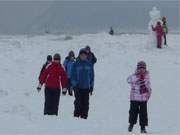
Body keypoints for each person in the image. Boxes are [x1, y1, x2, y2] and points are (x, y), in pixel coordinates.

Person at [127, 61, 152, 133]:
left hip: (143, 99)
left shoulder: (147, 76)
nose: (141, 70)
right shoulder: (134, 76)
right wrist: (136, 76)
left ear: (145, 69)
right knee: (133, 112)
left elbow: (148, 86)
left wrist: (149, 93)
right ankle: (131, 124)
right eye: (140, 68)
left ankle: (143, 128)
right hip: (134, 98)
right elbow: (128, 80)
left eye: (143, 68)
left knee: (143, 113)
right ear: (137, 69)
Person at [71, 49, 94, 119]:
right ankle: (76, 117)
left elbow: (92, 76)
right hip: (78, 87)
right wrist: (75, 85)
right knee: (78, 103)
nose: (83, 56)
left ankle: (84, 117)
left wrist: (91, 86)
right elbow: (73, 76)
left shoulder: (89, 64)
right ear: (79, 55)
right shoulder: (75, 64)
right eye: (82, 55)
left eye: (84, 55)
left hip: (86, 88)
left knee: (85, 104)